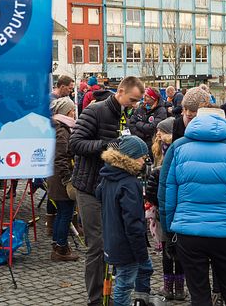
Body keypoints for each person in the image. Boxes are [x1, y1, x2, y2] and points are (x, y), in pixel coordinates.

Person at [159, 108, 226, 306]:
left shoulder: (177, 148)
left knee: (199, 295)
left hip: (188, 232)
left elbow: (166, 196)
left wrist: (169, 233)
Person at [70, 76, 145, 306]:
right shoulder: (95, 111)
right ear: (120, 91)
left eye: (138, 101)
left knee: (113, 244)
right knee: (98, 245)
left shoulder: (126, 114)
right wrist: (104, 145)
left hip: (111, 188)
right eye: (133, 99)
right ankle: (96, 300)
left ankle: (109, 293)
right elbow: (74, 143)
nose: (135, 105)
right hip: (89, 187)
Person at [96, 135, 156, 306]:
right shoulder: (130, 183)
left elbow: (99, 194)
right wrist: (140, 251)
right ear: (130, 158)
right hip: (127, 245)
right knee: (124, 283)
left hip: (112, 239)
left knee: (145, 270)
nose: (144, 161)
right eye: (142, 157)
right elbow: (133, 223)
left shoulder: (108, 176)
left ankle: (141, 301)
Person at [145, 117, 186, 301]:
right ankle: (174, 287)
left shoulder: (171, 152)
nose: (158, 134)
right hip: (167, 207)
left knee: (172, 248)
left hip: (168, 208)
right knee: (172, 250)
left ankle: (175, 287)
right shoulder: (160, 149)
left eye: (161, 131)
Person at [47, 97, 79, 261]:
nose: (74, 113)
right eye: (72, 110)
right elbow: (60, 158)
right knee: (65, 212)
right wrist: (67, 178)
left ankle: (58, 244)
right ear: (67, 111)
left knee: (62, 212)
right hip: (60, 178)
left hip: (55, 176)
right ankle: (61, 248)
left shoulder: (59, 127)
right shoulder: (62, 130)